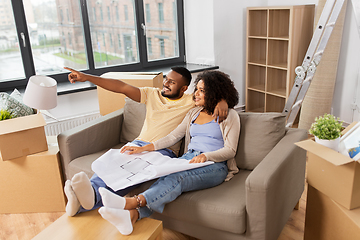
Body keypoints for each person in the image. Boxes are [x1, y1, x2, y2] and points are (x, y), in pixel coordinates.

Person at [63, 66, 230, 217]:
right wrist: (87, 77)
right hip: (139, 145)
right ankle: (84, 197)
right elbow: (121, 86)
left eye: (172, 82)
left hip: (162, 150)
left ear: (184, 88)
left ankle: (85, 198)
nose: (165, 83)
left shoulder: (190, 102)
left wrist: (223, 101)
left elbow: (212, 94)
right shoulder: (152, 94)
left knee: (130, 172)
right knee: (112, 164)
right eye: (166, 79)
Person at [96, 70, 240, 235]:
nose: (196, 94)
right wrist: (145, 147)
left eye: (202, 90)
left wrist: (206, 156)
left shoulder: (229, 116)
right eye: (197, 89)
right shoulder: (193, 113)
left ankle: (130, 203)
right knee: (163, 175)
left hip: (215, 165)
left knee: (177, 177)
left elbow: (230, 150)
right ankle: (132, 216)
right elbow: (173, 136)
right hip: (189, 158)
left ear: (214, 93)